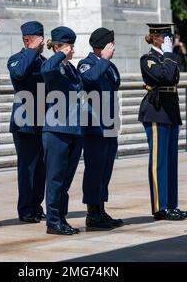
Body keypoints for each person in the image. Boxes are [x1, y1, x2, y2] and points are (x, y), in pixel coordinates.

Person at [138, 23, 187, 221]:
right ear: (155, 38)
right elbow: (167, 75)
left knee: (170, 161)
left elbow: (173, 78)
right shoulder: (148, 59)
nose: (169, 39)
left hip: (170, 110)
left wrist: (168, 57)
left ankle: (171, 204)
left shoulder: (166, 57)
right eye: (166, 36)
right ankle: (160, 208)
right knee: (158, 162)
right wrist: (168, 56)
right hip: (156, 111)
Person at [78, 28, 123, 229]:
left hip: (110, 125)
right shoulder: (85, 64)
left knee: (106, 170)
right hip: (94, 127)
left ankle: (101, 209)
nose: (113, 46)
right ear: (103, 45)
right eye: (110, 43)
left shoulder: (110, 66)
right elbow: (90, 79)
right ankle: (92, 212)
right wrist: (104, 59)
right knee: (94, 169)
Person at [41, 26, 83, 235]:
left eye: (72, 46)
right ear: (58, 47)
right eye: (68, 46)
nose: (72, 50)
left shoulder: (70, 69)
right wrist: (59, 55)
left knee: (65, 181)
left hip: (74, 130)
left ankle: (61, 218)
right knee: (55, 179)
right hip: (57, 130)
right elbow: (46, 70)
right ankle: (53, 221)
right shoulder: (53, 67)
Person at [7, 21, 47, 223]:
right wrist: (32, 50)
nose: (41, 44)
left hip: (43, 121)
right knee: (27, 168)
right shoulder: (17, 59)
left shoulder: (42, 61)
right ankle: (25, 208)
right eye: (37, 40)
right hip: (24, 123)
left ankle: (36, 205)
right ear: (26, 40)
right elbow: (20, 73)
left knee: (41, 168)